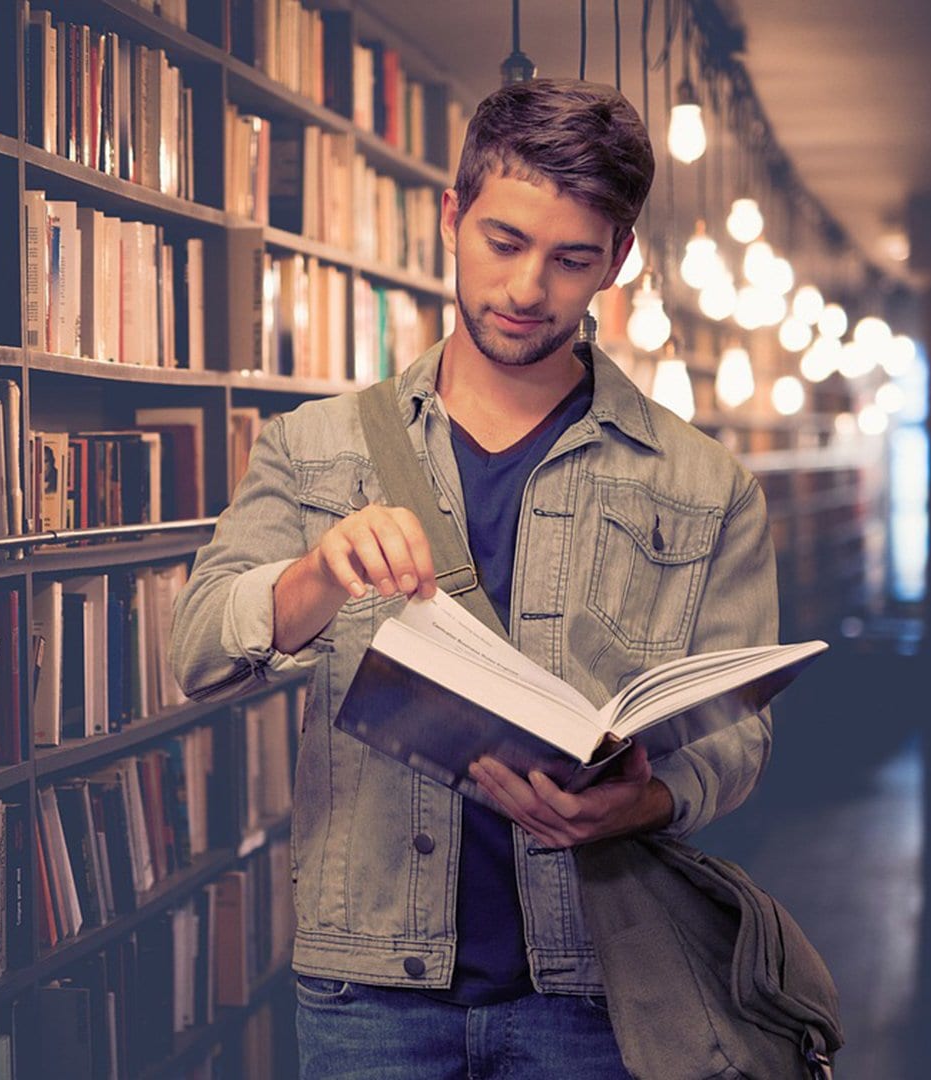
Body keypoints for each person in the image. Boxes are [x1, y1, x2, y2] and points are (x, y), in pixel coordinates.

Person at [172, 78, 778, 1079]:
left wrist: (646, 801)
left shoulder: (705, 485)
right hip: (368, 989)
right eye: (503, 242)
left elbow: (740, 731)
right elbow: (195, 648)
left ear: (617, 260)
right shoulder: (313, 447)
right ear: (451, 218)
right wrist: (320, 571)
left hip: (594, 988)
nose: (528, 289)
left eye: (572, 258)